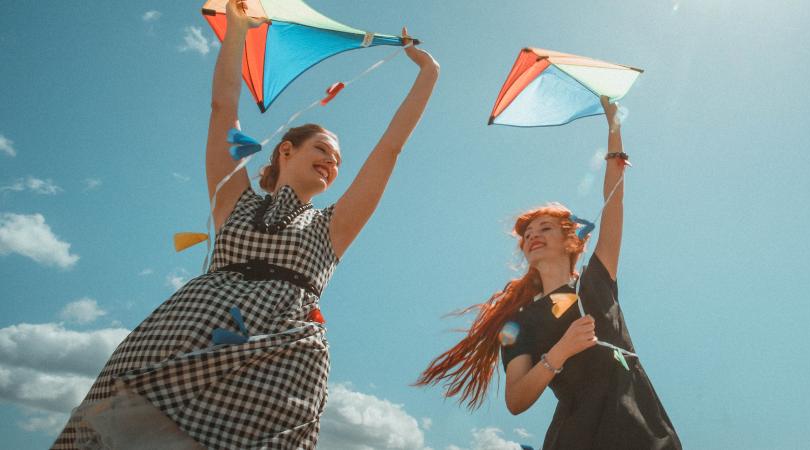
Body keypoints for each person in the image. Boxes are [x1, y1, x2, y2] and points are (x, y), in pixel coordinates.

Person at [52, 1, 438, 448]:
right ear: (286, 151)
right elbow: (223, 110)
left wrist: (427, 73)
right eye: (323, 149)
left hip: (277, 358)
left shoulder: (334, 225)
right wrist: (237, 29)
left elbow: (389, 149)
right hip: (182, 335)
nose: (333, 162)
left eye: (338, 161)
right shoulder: (234, 199)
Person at [416, 97, 681, 449]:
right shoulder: (520, 322)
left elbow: (614, 197)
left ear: (571, 241)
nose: (533, 237)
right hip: (579, 436)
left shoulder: (596, 281)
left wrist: (614, 123)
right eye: (528, 235)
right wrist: (561, 351)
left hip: (643, 430)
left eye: (545, 229)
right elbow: (516, 400)